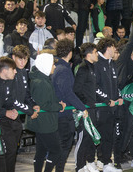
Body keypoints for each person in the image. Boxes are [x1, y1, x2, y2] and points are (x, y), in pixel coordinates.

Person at [0, 57, 36, 172]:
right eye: (13, 69)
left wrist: (29, 110)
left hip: (4, 120)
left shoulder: (10, 80)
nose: (15, 71)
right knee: (0, 152)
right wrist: (6, 112)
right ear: (5, 71)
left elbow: (11, 100)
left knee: (11, 150)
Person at [50, 39, 88, 172]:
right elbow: (68, 93)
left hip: (62, 113)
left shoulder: (59, 68)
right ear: (70, 53)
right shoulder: (63, 70)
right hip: (64, 115)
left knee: (63, 146)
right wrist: (82, 107)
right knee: (64, 145)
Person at [27, 53, 66, 172]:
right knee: (56, 151)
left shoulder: (41, 79)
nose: (54, 67)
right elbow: (44, 104)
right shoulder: (41, 82)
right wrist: (59, 106)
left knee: (41, 150)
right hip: (45, 123)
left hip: (43, 122)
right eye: (53, 64)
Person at [94, 38, 123, 172]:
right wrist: (106, 100)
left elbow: (116, 85)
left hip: (112, 107)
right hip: (101, 107)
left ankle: (105, 161)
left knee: (109, 136)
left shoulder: (112, 64)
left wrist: (118, 97)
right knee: (102, 136)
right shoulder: (98, 63)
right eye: (114, 47)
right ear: (108, 47)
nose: (115, 50)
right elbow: (95, 87)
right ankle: (103, 161)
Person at [74, 42, 100, 172]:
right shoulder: (83, 68)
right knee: (83, 138)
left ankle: (89, 163)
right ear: (89, 54)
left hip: (92, 108)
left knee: (91, 138)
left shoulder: (93, 68)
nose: (97, 55)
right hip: (85, 110)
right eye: (95, 52)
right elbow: (77, 89)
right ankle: (79, 166)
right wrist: (84, 105)